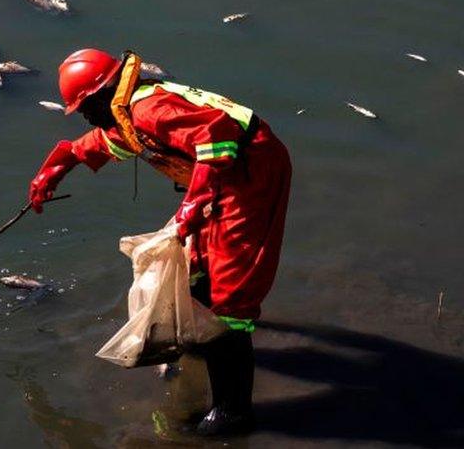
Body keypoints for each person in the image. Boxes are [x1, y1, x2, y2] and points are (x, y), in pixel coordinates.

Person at [28, 48, 291, 436]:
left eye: (85, 107)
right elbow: (108, 141)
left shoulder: (152, 110)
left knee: (231, 294)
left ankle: (233, 412)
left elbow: (217, 136)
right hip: (221, 177)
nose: (85, 116)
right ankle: (207, 335)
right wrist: (56, 167)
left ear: (105, 94)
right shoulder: (132, 108)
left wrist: (195, 204)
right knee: (197, 264)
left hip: (250, 176)